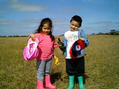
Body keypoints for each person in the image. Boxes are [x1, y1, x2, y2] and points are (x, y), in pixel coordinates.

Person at [59, 15, 89, 89]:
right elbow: (64, 46)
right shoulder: (66, 34)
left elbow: (87, 42)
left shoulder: (80, 32)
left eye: (76, 26)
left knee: (80, 70)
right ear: (70, 23)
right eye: (72, 24)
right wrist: (61, 45)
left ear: (79, 26)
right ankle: (71, 85)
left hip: (79, 55)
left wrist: (84, 40)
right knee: (70, 70)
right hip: (69, 56)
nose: (73, 27)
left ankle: (81, 84)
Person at [29, 18, 59, 89]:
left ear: (51, 28)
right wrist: (32, 36)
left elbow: (52, 48)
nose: (46, 30)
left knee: (47, 71)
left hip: (49, 58)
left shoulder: (51, 37)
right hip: (41, 58)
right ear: (41, 27)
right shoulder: (38, 35)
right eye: (44, 28)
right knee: (40, 72)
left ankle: (47, 84)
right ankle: (39, 86)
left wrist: (54, 56)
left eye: (48, 28)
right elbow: (31, 38)